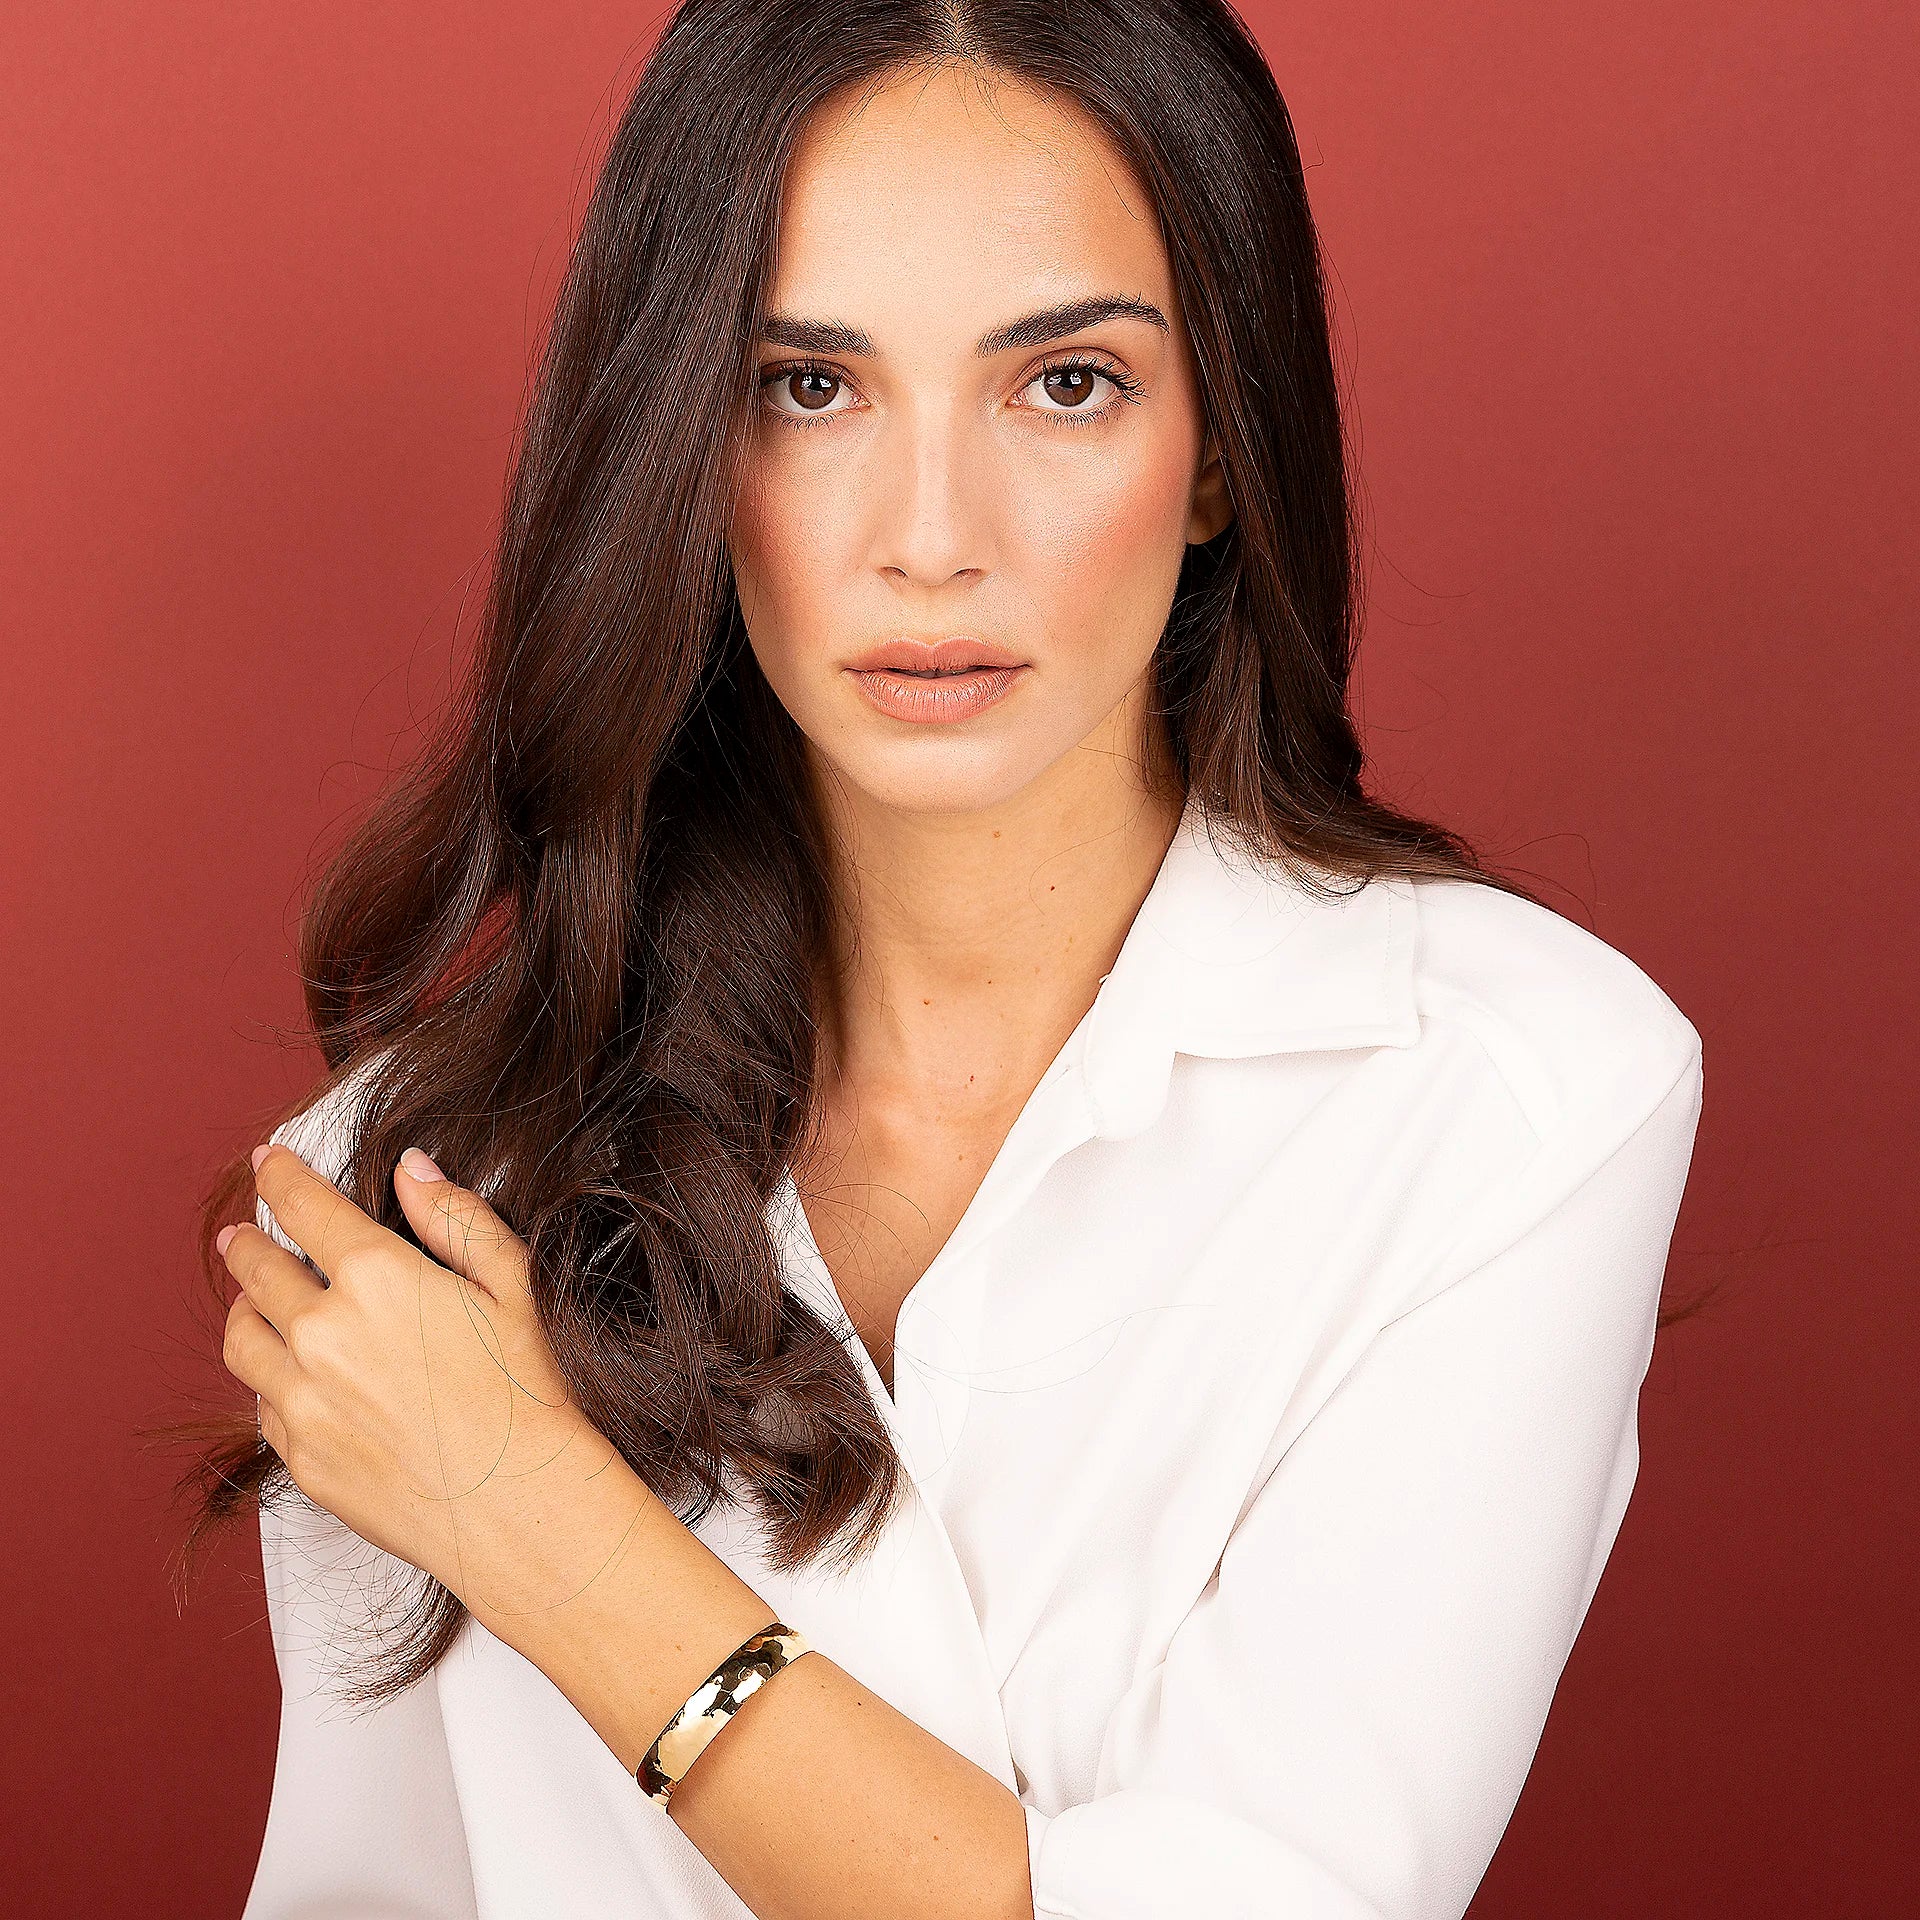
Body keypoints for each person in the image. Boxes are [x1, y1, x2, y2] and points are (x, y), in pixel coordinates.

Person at [200, 3, 1705, 1916]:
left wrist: (536, 1524)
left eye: (1066, 383)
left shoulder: (1508, 1096)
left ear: (1221, 448)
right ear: (683, 446)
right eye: (807, 388)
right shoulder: (419, 1172)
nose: (932, 538)